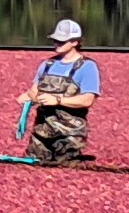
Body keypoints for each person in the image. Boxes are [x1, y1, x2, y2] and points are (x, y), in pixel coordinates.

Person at [16, 18, 103, 163]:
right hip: (41, 134)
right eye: (55, 40)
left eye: (61, 41)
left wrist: (57, 100)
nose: (56, 44)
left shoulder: (87, 67)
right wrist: (29, 97)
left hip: (69, 135)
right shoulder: (47, 64)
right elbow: (34, 91)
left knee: (67, 168)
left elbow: (87, 100)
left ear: (75, 42)